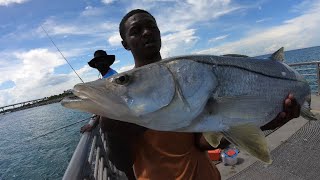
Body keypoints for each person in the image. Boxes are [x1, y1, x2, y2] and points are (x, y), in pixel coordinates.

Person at [103, 9, 301, 180]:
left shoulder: (185, 80)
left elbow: (202, 142)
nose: (146, 33)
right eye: (136, 31)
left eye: (151, 27)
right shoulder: (126, 99)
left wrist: (266, 123)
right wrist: (113, 133)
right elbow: (124, 164)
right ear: (125, 44)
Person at [80, 50, 118, 133]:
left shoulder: (112, 77)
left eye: (102, 60)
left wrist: (93, 124)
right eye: (97, 62)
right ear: (95, 65)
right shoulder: (105, 78)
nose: (99, 63)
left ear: (108, 62)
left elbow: (109, 105)